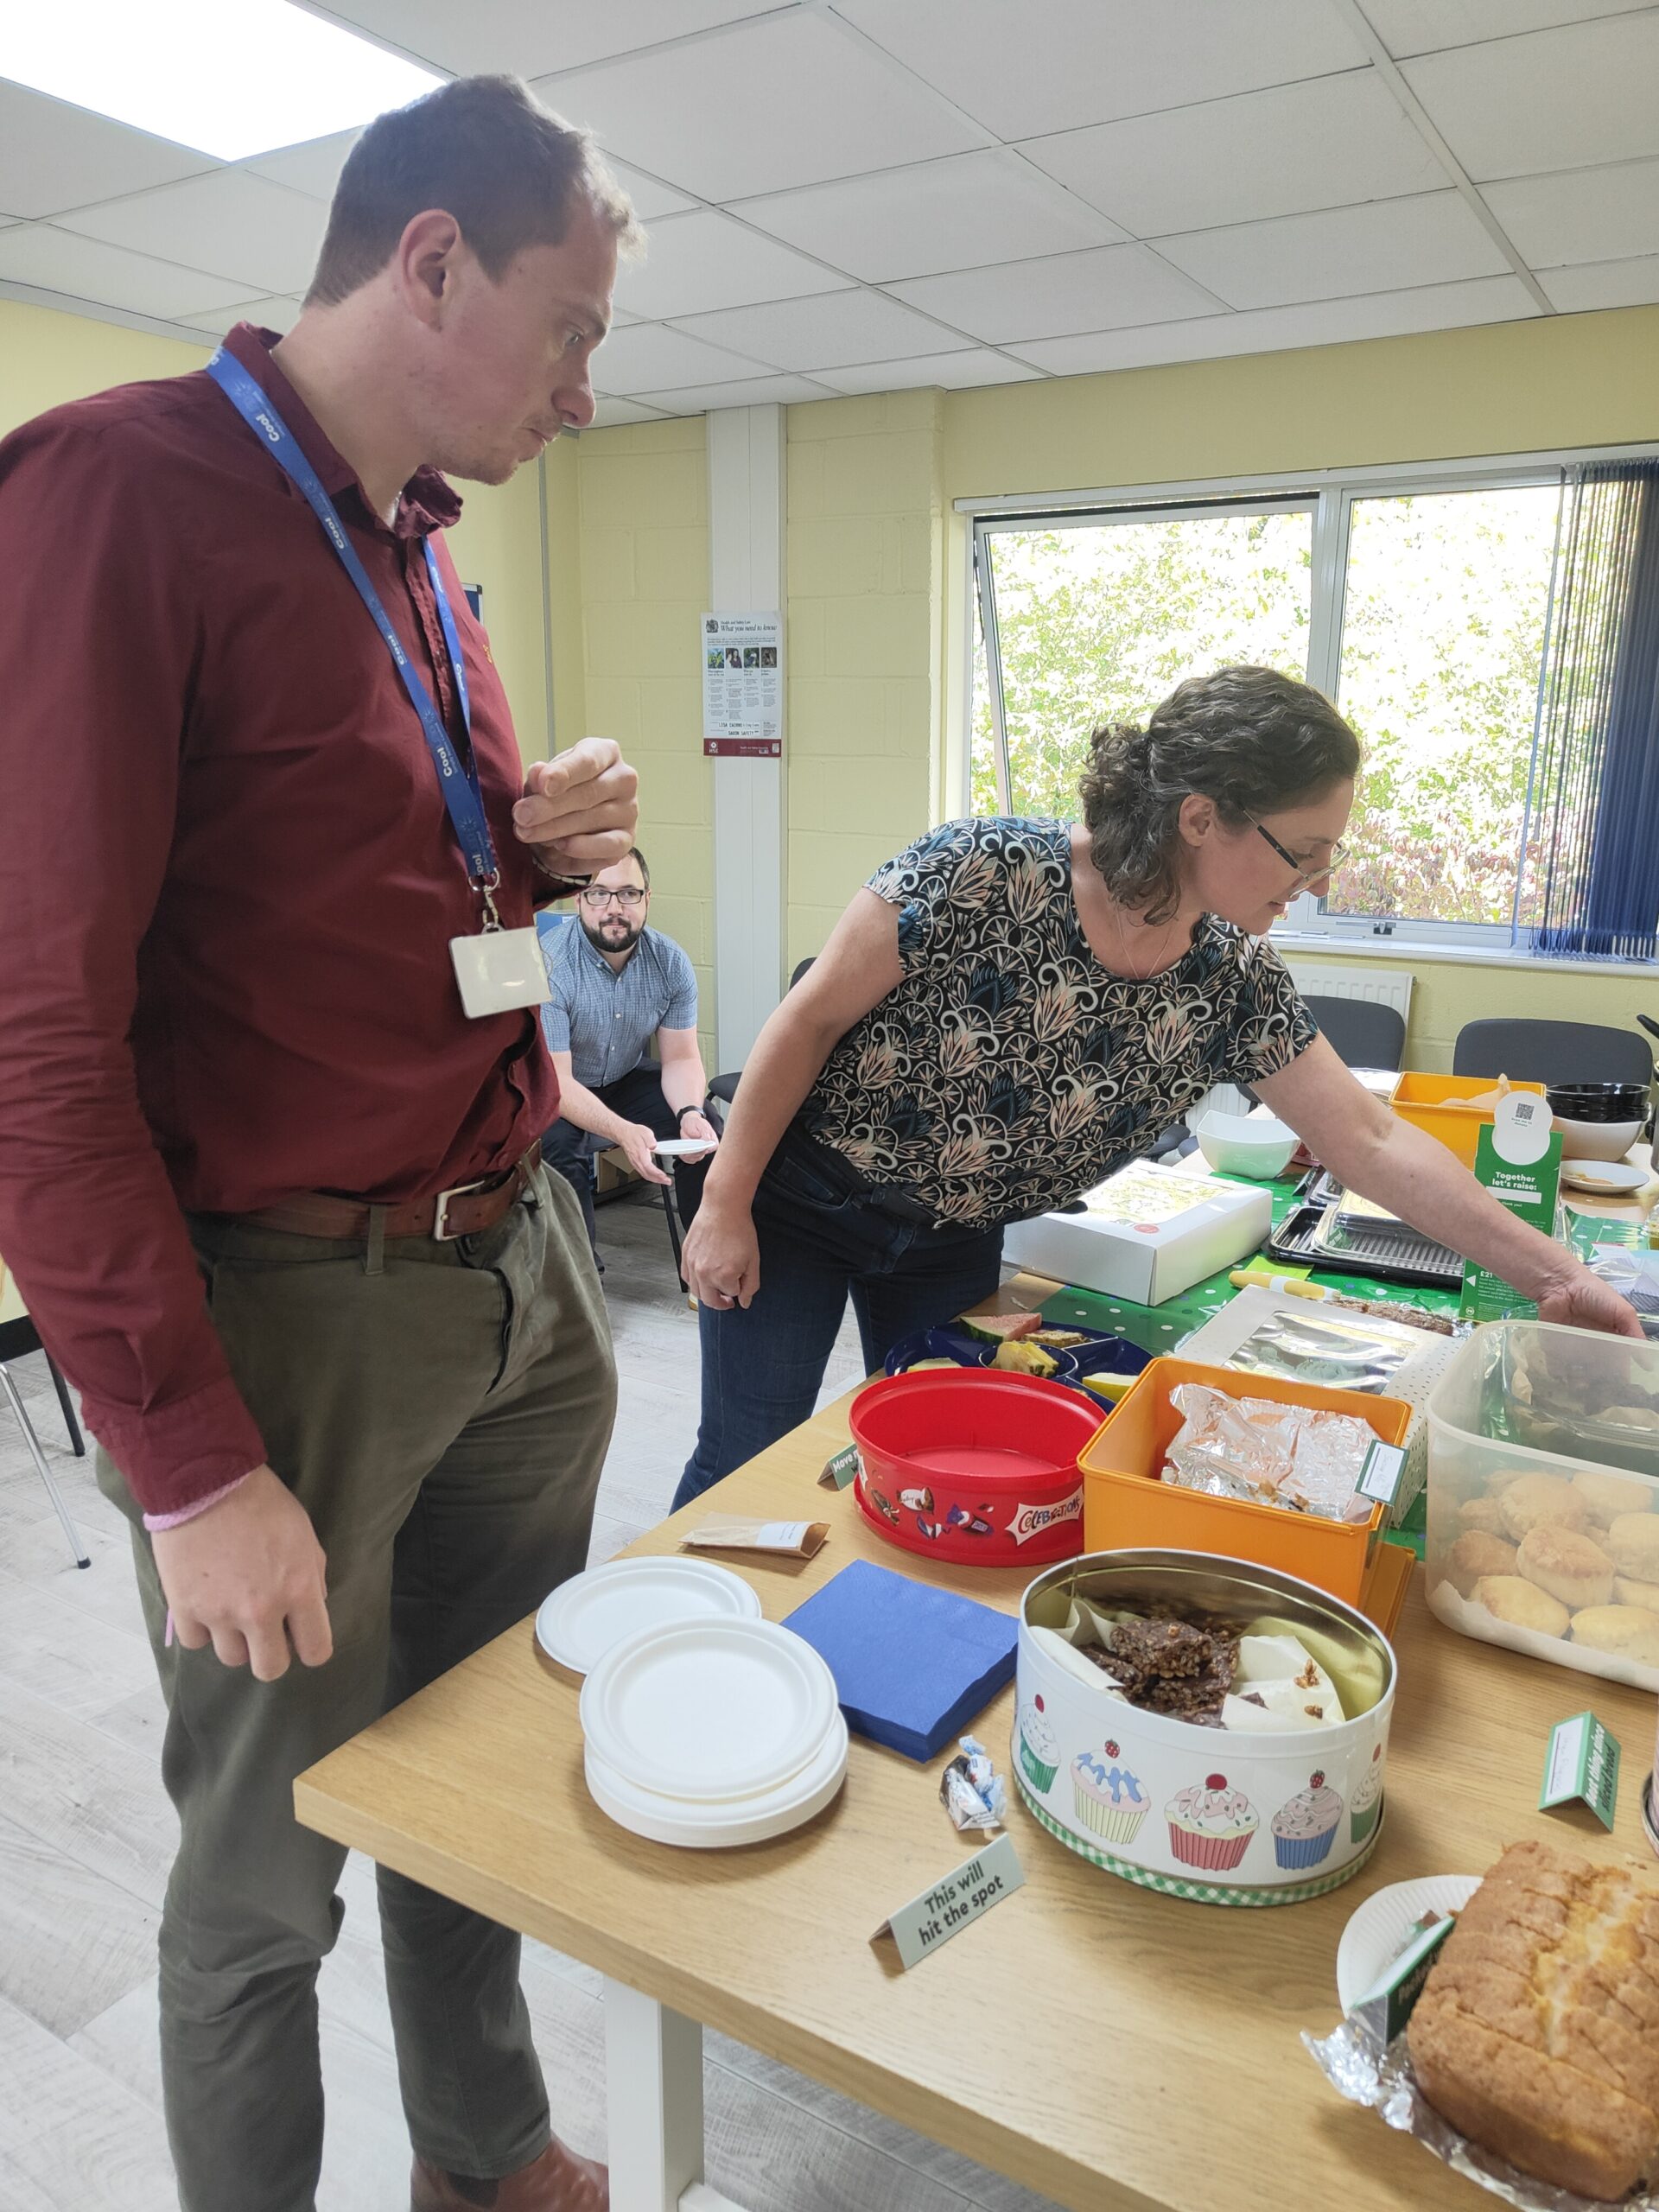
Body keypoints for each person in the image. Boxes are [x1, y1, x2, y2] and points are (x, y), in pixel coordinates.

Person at [0, 76, 644, 2212]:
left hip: (515, 1260)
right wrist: (192, 1466)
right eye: (570, 328)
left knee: (475, 1778)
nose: (585, 389)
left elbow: (372, 904)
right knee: (269, 1872)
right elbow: (37, 1039)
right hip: (298, 1309)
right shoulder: (112, 492)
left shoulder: (422, 544)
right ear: (434, 261)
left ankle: (480, 2148)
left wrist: (527, 854)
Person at [676, 664, 1640, 1505]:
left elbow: (1372, 1140)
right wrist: (723, 1203)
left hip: (953, 1238)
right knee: (747, 1453)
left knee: (945, 1453)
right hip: (801, 1204)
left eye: (1330, 852)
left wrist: (1559, 1277)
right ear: (1200, 817)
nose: (1317, 879)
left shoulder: (1230, 977)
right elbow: (806, 1020)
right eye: (1303, 849)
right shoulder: (980, 872)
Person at [538, 847, 718, 1259]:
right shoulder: (550, 963)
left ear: (647, 899)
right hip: (560, 1089)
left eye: (628, 893)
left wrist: (689, 1112)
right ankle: (582, 1278)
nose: (614, 908)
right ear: (579, 899)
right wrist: (623, 1131)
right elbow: (557, 1082)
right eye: (599, 893)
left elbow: (681, 1059)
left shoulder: (670, 962)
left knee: (706, 1130)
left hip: (623, 1077)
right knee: (559, 1148)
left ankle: (707, 1259)